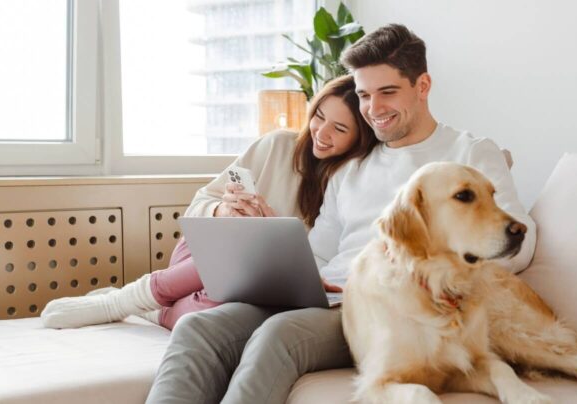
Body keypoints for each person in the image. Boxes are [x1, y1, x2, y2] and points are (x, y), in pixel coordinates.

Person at [145, 24, 537, 404]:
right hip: (328, 296)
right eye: (365, 95)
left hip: (392, 310)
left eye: (387, 92)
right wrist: (296, 272)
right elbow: (321, 251)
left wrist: (436, 277)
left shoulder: (470, 154)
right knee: (199, 326)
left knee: (279, 335)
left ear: (422, 86)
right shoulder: (351, 167)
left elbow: (519, 243)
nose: (374, 108)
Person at [39, 75, 377, 330]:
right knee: (237, 247)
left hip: (248, 285)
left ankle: (153, 309)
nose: (321, 132)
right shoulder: (276, 145)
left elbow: (307, 268)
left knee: (216, 319)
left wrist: (270, 232)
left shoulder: (350, 181)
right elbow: (199, 205)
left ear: (359, 137)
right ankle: (118, 302)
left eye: (339, 128)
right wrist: (223, 210)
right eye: (318, 116)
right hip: (200, 255)